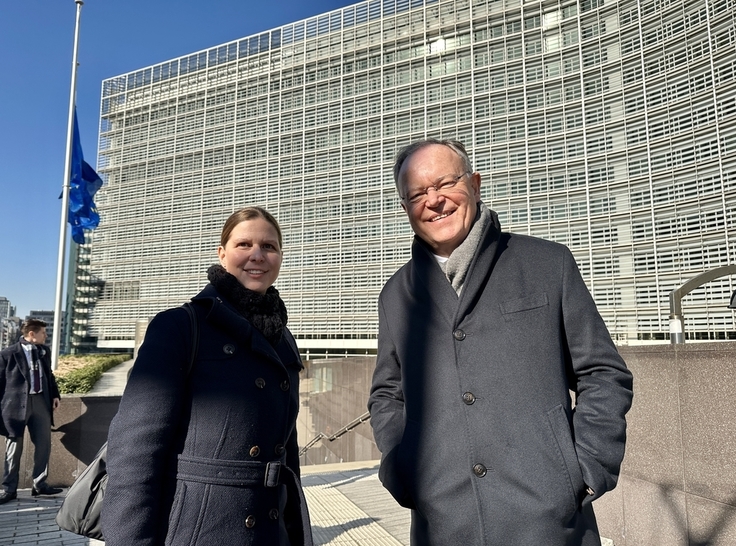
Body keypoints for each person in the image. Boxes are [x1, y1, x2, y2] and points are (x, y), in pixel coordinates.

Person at [368, 139, 634, 545]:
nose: (434, 200)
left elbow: (602, 372)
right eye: (418, 193)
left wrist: (586, 468)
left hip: (549, 521)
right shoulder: (395, 296)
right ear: (405, 208)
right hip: (442, 525)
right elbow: (387, 394)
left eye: (446, 183)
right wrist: (400, 469)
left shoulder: (548, 263)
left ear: (475, 184)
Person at [102, 206, 312, 546]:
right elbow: (134, 452)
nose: (257, 255)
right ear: (222, 253)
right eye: (244, 244)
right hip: (198, 530)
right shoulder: (181, 326)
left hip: (271, 530)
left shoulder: (283, 337)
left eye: (269, 247)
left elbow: (286, 448)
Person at [0, 319, 62, 503]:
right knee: (13, 449)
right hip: (15, 406)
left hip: (41, 401)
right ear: (32, 334)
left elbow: (49, 374)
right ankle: (9, 489)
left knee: (44, 444)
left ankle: (40, 484)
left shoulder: (44, 351)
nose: (46, 335)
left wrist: (55, 395)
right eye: (43, 332)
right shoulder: (7, 354)